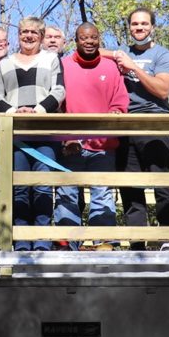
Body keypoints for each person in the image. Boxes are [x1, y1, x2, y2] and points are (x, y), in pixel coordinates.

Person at [0, 16, 65, 249]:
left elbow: (59, 89)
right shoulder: (5, 63)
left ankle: (42, 241)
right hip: (14, 135)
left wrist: (38, 110)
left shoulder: (51, 59)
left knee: (43, 185)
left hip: (44, 131)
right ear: (18, 35)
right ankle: (22, 241)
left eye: (34, 32)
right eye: (24, 31)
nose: (29, 36)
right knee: (19, 186)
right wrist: (15, 111)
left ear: (42, 36)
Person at [107, 7, 169, 238]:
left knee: (161, 182)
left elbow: (163, 89)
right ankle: (137, 242)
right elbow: (92, 51)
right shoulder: (122, 53)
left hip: (155, 123)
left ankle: (167, 237)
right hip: (126, 125)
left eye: (144, 24)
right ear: (129, 28)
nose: (139, 28)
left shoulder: (162, 55)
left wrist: (133, 67)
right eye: (135, 24)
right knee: (130, 185)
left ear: (152, 27)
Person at [56, 23, 129, 244]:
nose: (89, 42)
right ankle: (67, 243)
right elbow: (57, 103)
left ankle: (103, 242)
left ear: (99, 39)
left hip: (103, 144)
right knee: (67, 193)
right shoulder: (63, 65)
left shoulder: (111, 67)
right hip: (70, 144)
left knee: (103, 193)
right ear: (75, 40)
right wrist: (66, 137)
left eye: (93, 37)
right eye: (84, 38)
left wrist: (113, 117)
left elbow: (120, 101)